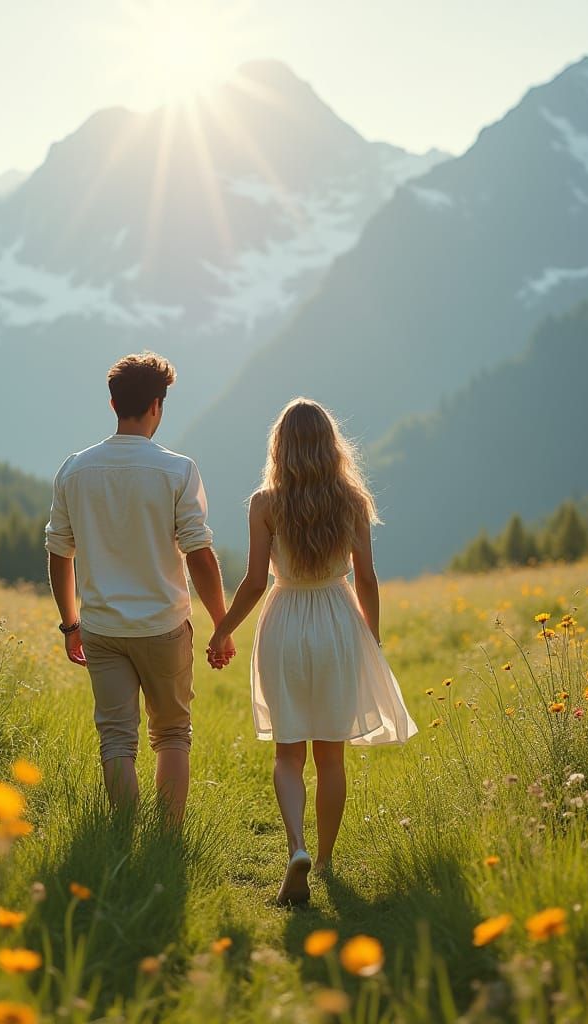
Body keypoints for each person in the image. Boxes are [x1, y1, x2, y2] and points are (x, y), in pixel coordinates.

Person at [207, 398, 416, 905]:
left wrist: (221, 630)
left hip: (286, 621)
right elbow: (365, 577)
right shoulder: (352, 500)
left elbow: (256, 583)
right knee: (331, 754)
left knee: (288, 751)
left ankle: (295, 846)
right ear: (331, 445)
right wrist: (374, 635)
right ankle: (323, 860)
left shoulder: (265, 503)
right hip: (338, 621)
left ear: (279, 447)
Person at [45, 352, 232, 825]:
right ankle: (166, 839)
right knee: (171, 733)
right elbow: (199, 554)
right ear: (157, 406)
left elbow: (59, 553)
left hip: (103, 628)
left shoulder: (74, 469)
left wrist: (71, 624)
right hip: (163, 625)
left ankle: (124, 835)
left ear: (113, 405)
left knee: (116, 738)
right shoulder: (177, 470)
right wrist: (222, 625)